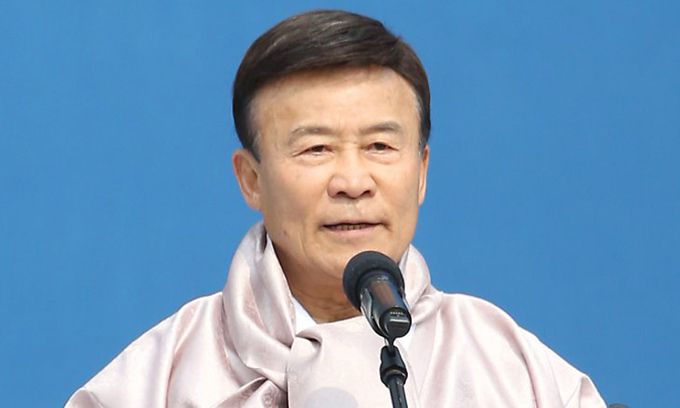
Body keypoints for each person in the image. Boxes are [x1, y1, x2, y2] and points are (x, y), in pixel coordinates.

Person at [67, 10, 606, 407]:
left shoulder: (515, 372)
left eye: (380, 146)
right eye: (316, 149)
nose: (352, 182)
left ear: (421, 172)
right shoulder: (155, 381)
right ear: (251, 180)